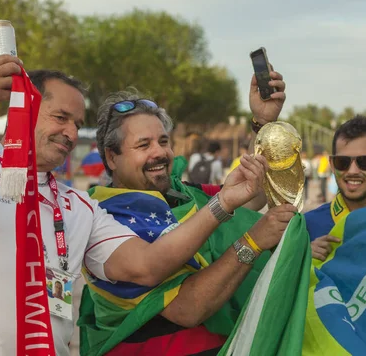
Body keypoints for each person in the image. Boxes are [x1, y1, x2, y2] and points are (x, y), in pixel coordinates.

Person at [0, 56, 269, 356]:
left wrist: (224, 202)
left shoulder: (80, 207)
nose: (72, 133)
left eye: (77, 123)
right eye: (61, 117)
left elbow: (146, 266)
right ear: (23, 110)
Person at [86, 90, 295, 354]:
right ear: (112, 157)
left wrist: (262, 124)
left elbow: (250, 198)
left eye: (163, 141)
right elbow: (189, 309)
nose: (159, 152)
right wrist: (252, 242)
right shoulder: (105, 217)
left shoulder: (182, 193)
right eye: (144, 145)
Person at [305, 116, 366, 261]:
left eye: (365, 161)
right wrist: (303, 261)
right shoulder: (307, 227)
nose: (352, 171)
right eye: (342, 162)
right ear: (332, 165)